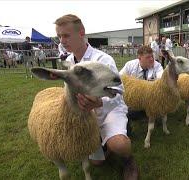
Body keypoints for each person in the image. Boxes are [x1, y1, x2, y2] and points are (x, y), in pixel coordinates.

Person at [54, 14, 138, 180]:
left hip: (108, 111)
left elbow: (118, 90)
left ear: (81, 33)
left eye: (66, 35)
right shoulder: (69, 61)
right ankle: (103, 142)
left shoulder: (102, 59)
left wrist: (99, 102)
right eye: (59, 36)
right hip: (86, 115)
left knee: (119, 145)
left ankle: (129, 160)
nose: (62, 41)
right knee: (97, 163)